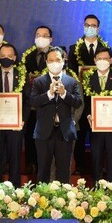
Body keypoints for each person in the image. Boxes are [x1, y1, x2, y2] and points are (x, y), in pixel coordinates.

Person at [29, 47, 82, 183]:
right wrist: (49, 94)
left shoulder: (72, 81)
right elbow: (33, 102)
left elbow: (78, 102)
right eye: (51, 60)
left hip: (65, 131)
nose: (54, 63)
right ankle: (43, 195)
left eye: (57, 60)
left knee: (64, 169)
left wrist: (64, 94)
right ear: (46, 62)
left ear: (63, 61)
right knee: (43, 169)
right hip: (44, 131)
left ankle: (64, 195)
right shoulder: (39, 81)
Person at [69, 14, 111, 176]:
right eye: (87, 25)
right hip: (81, 98)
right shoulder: (74, 48)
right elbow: (71, 74)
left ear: (98, 28)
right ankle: (80, 165)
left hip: (100, 98)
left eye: (93, 25)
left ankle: (100, 166)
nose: (90, 28)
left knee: (99, 135)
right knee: (79, 134)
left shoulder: (105, 48)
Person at [83, 48, 112, 183]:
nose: (102, 61)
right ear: (95, 60)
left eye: (105, 58)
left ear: (111, 60)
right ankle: (96, 188)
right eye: (99, 58)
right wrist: (88, 115)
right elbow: (85, 100)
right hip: (96, 126)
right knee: (96, 158)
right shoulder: (89, 77)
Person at [0, 43, 24, 187]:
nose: (6, 58)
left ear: (14, 57)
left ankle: (14, 187)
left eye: (9, 56)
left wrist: (23, 120)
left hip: (16, 125)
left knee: (15, 157)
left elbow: (28, 100)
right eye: (2, 56)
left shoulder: (22, 76)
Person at [21, 25, 54, 175]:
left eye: (45, 35)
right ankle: (31, 164)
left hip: (49, 104)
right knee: (30, 135)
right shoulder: (28, 56)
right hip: (32, 104)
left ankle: (45, 166)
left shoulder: (56, 56)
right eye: (38, 35)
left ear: (51, 39)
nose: (41, 38)